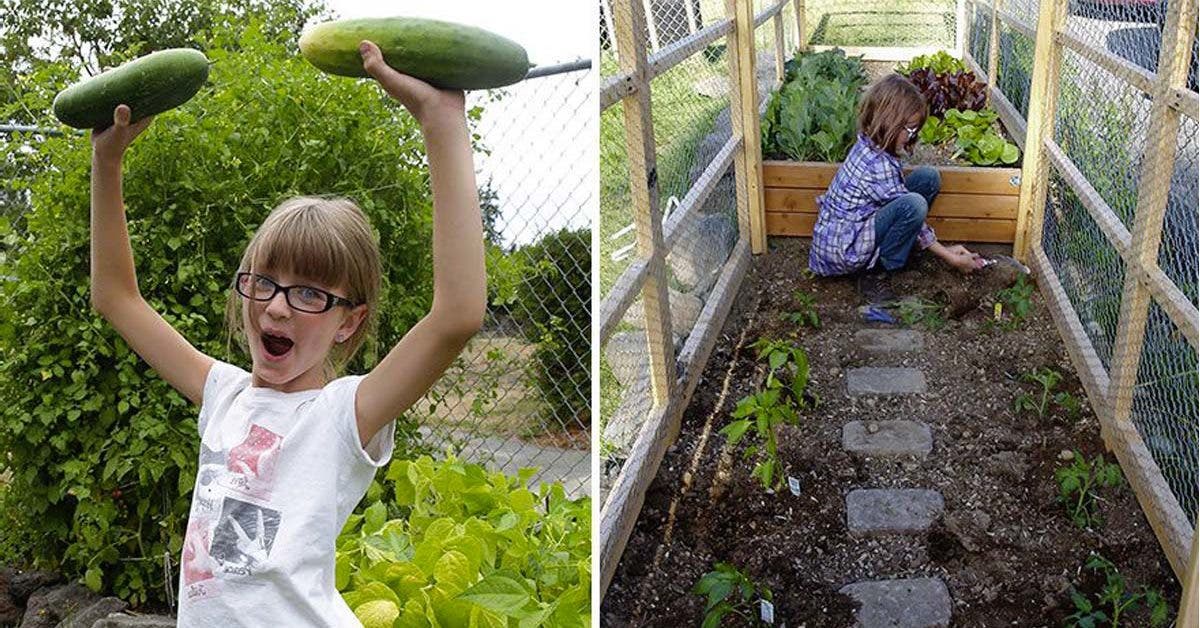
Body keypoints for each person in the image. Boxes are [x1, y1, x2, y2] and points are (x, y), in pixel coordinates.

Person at [88, 40, 485, 625]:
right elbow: (116, 298)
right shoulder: (224, 394)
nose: (276, 308)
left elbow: (457, 315)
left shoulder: (341, 415)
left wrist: (442, 123)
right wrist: (108, 164)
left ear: (349, 319)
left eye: (308, 294)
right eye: (264, 283)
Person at [808, 73, 985, 303]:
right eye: (910, 129)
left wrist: (943, 247)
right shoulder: (876, 165)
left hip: (855, 226)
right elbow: (908, 206)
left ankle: (898, 249)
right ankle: (877, 272)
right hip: (843, 249)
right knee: (914, 204)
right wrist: (949, 256)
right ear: (889, 122)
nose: (913, 136)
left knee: (927, 178)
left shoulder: (873, 142)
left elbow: (895, 195)